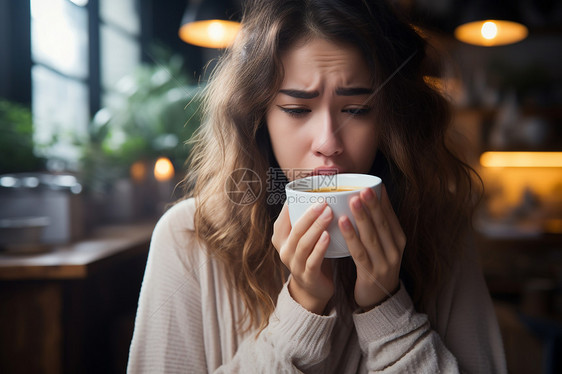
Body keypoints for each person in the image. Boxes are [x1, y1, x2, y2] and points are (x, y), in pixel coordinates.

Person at [127, 0, 507, 372]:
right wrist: (301, 309)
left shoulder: (443, 231)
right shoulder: (188, 236)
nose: (328, 141)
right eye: (297, 110)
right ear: (258, 119)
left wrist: (389, 310)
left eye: (356, 110)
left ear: (390, 122)